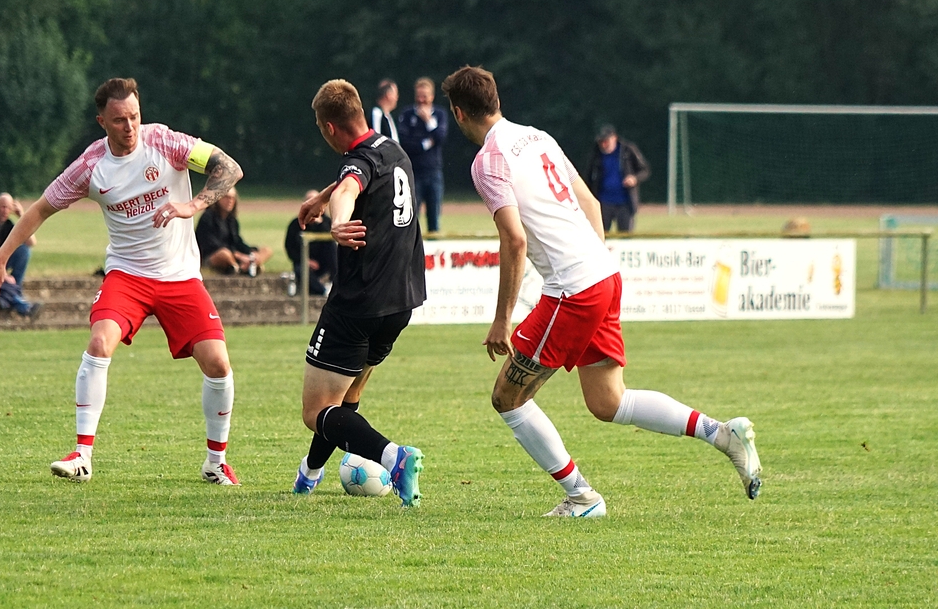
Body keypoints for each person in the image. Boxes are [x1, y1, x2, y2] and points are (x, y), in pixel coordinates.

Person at [442, 65, 761, 517]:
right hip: (604, 275)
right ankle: (722, 434)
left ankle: (582, 498)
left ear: (458, 112)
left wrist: (501, 320)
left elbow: (514, 239)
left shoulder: (487, 162)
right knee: (608, 401)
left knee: (507, 398)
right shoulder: (537, 137)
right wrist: (593, 265)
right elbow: (590, 203)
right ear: (496, 100)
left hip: (573, 290)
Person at [0, 77, 244, 486]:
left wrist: (193, 204)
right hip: (127, 275)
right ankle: (82, 456)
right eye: (119, 120)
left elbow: (230, 168)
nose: (130, 126)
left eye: (134, 116)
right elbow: (39, 210)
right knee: (100, 342)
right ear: (102, 121)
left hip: (180, 277)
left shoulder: (166, 142)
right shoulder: (90, 166)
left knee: (219, 364)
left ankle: (215, 463)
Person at [291, 78, 426, 507]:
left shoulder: (355, 163)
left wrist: (335, 219)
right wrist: (322, 197)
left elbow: (350, 186)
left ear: (329, 127)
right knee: (346, 399)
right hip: (400, 301)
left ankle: (394, 457)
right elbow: (358, 176)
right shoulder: (393, 150)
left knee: (316, 412)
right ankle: (309, 474)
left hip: (358, 305)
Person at [397, 77, 448, 233]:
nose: (421, 100)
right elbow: (405, 143)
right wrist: (426, 143)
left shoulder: (439, 114)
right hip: (413, 173)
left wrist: (428, 121)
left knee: (434, 218)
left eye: (424, 96)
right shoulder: (407, 114)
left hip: (433, 172)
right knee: (411, 217)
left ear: (431, 96)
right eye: (418, 96)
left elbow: (440, 136)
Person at [584, 124, 650, 233]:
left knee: (625, 236)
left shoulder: (628, 150)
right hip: (603, 202)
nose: (603, 145)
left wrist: (634, 178)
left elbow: (644, 170)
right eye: (601, 142)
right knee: (600, 235)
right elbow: (588, 176)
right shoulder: (596, 153)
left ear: (614, 138)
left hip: (625, 203)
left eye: (606, 141)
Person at [195, 187, 272, 276]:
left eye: (232, 198)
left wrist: (250, 253)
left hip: (234, 253)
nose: (230, 201)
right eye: (226, 197)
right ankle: (239, 267)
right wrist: (238, 255)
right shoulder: (208, 218)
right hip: (213, 255)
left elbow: (237, 241)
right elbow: (211, 245)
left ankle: (247, 265)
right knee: (224, 254)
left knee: (266, 250)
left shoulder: (231, 220)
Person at [284, 189, 337, 296]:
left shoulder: (327, 222)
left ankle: (334, 284)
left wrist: (320, 224)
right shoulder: (295, 224)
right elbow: (290, 247)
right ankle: (322, 290)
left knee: (332, 248)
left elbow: (332, 241)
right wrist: (306, 260)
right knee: (300, 270)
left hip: (324, 262)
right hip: (303, 262)